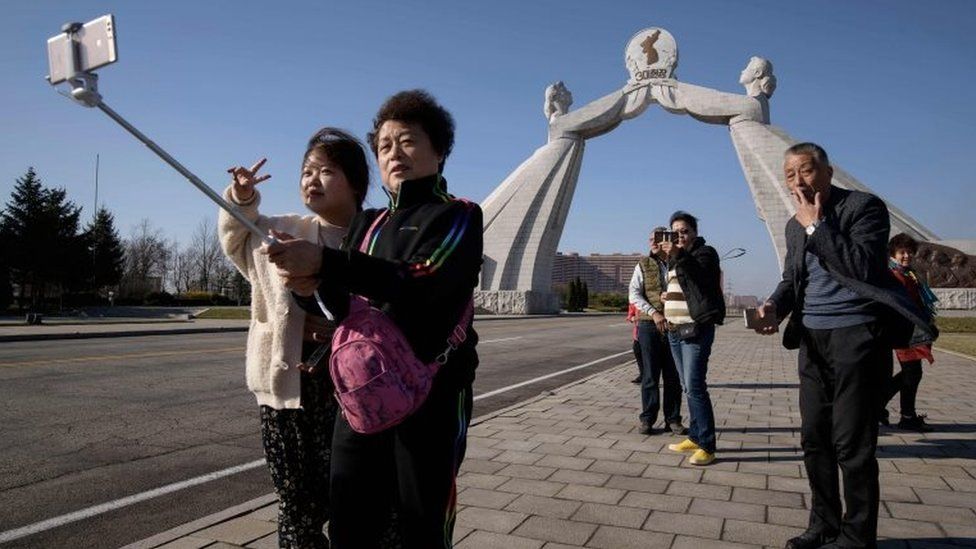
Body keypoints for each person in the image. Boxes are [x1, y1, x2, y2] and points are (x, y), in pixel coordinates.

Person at [265, 89, 483, 549]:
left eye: (407, 141)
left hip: (433, 394)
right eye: (384, 146)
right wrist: (307, 287)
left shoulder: (459, 215)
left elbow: (421, 279)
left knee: (421, 526)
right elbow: (340, 308)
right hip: (362, 400)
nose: (394, 153)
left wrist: (324, 263)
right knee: (350, 521)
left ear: (439, 151)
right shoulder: (367, 224)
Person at [754, 143, 936, 549]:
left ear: (828, 172)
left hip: (857, 335)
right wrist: (773, 307)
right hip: (813, 340)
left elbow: (861, 267)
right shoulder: (792, 225)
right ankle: (824, 524)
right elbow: (792, 280)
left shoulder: (863, 208)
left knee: (852, 444)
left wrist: (818, 226)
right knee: (814, 438)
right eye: (789, 175)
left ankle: (857, 537)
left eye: (805, 170)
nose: (797, 181)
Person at [218, 128, 369, 549]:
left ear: (356, 183)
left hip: (357, 390)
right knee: (297, 509)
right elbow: (235, 238)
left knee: (357, 503)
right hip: (291, 391)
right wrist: (242, 198)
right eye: (306, 171)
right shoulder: (281, 229)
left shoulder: (378, 237)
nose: (311, 179)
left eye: (326, 170)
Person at [659, 212, 724, 465]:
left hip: (696, 329)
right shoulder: (676, 260)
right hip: (675, 330)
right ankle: (696, 437)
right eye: (675, 232)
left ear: (694, 232)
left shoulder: (705, 253)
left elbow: (698, 277)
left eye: (684, 231)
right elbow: (684, 288)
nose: (680, 236)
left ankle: (707, 446)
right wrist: (667, 295)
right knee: (687, 386)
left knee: (696, 387)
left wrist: (677, 253)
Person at [628, 226, 685, 435]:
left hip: (675, 324)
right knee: (650, 376)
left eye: (658, 238)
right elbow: (634, 294)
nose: (653, 241)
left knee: (673, 376)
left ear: (667, 239)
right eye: (651, 238)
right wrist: (654, 312)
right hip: (648, 325)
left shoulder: (678, 261)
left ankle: (673, 419)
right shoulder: (642, 264)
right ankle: (648, 419)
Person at [881, 233, 938, 432]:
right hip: (904, 333)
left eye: (909, 252)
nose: (906, 255)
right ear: (893, 253)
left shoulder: (908, 274)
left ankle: (895, 411)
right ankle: (900, 414)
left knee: (911, 373)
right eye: (902, 252)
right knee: (912, 373)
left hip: (913, 331)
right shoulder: (894, 275)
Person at [626, 302, 643, 384]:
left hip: (651, 331)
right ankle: (642, 374)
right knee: (638, 352)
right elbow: (630, 315)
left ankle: (649, 376)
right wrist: (632, 318)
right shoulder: (634, 302)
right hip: (637, 334)